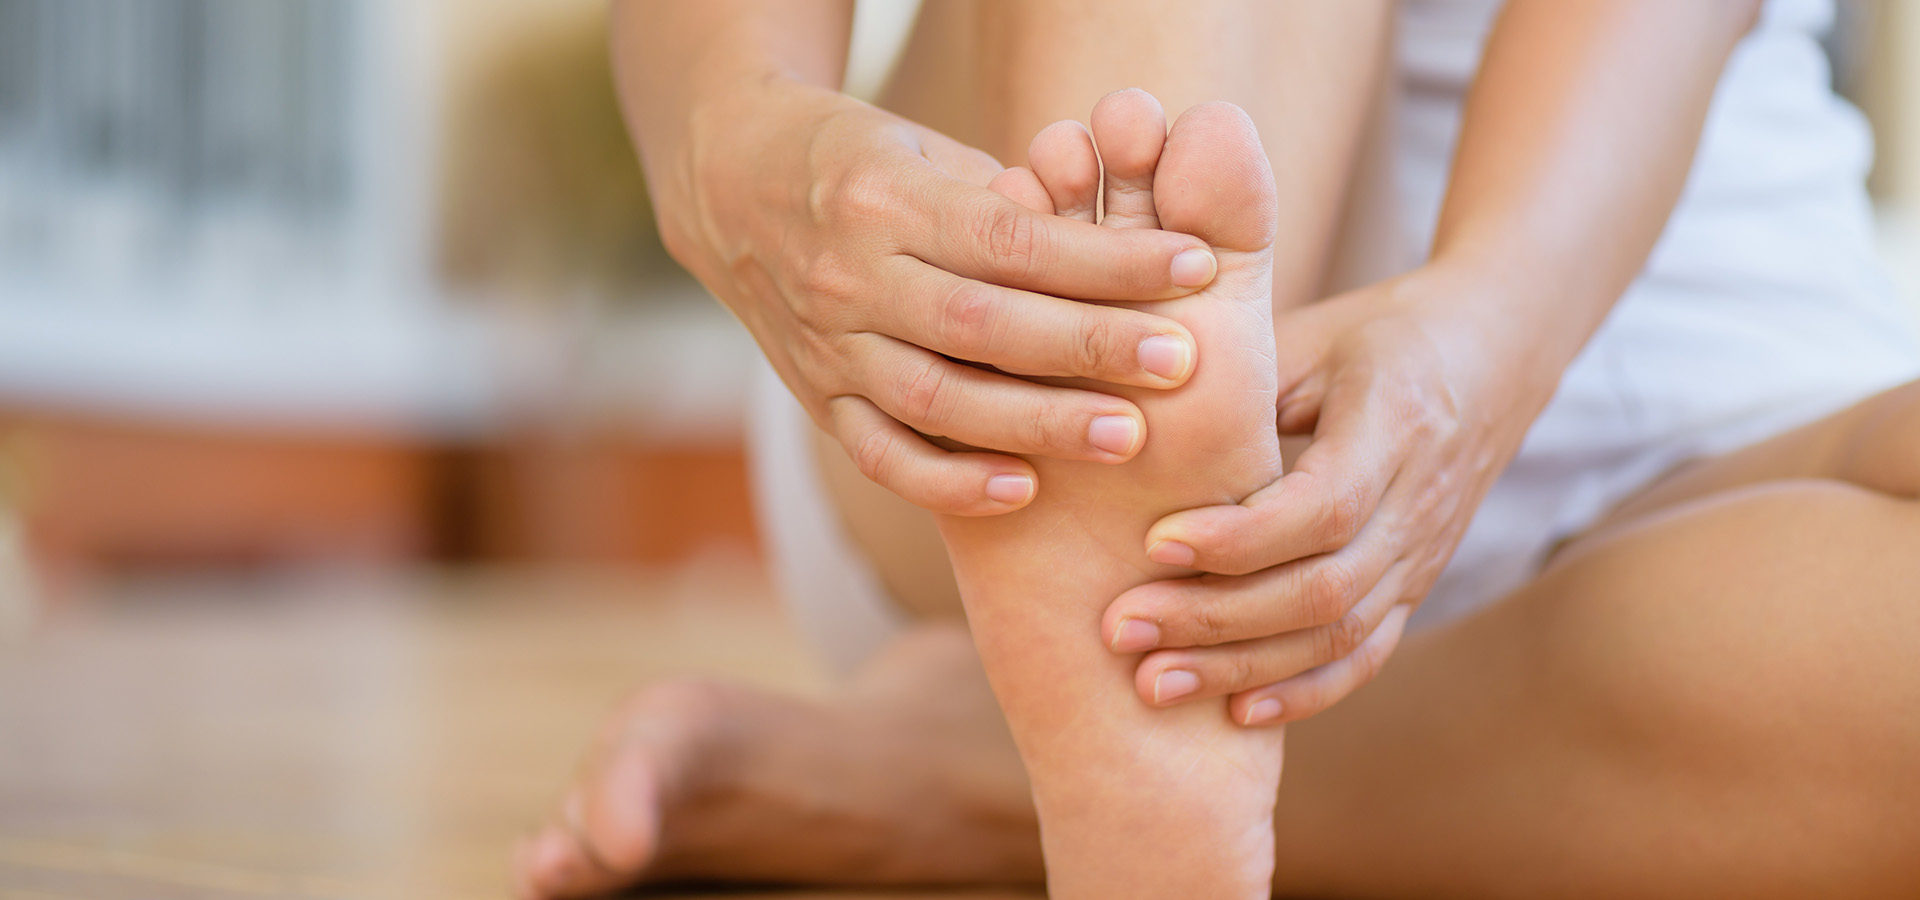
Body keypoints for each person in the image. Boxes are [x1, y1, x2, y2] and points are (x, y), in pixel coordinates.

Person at [514, 0, 1920, 896]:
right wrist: (740, 141)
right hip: (1012, 375)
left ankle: (997, 778)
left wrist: (1485, 340)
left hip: (1698, 368)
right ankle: (1130, 669)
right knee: (1146, 287)